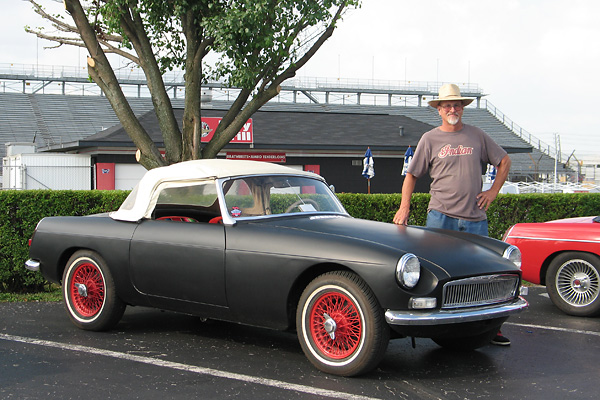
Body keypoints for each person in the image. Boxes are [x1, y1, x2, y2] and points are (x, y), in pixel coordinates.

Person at [393, 83, 512, 346]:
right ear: (439, 110)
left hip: (475, 219)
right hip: (440, 217)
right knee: (439, 274)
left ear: (463, 108)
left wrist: (492, 191)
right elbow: (411, 175)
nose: (452, 109)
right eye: (447, 105)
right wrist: (404, 207)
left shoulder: (477, 136)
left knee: (485, 275)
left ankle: (491, 328)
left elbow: (504, 161)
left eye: (456, 104)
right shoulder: (430, 139)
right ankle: (440, 325)